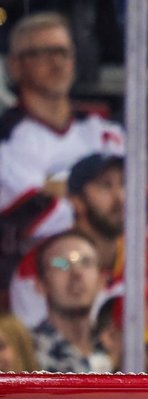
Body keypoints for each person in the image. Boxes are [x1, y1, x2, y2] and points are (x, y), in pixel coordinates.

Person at [0, 12, 125, 302]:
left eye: (62, 52)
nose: (56, 62)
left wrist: (59, 189)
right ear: (15, 66)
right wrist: (93, 202)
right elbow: (36, 217)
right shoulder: (7, 139)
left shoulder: (103, 130)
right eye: (41, 54)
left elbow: (139, 204)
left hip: (108, 275)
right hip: (33, 286)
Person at [9, 153, 148, 327]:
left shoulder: (146, 266)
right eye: (105, 186)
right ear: (76, 200)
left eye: (124, 184)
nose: (121, 198)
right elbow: (30, 349)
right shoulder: (49, 264)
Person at [31, 230, 111, 373]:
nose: (77, 273)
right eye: (61, 264)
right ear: (40, 285)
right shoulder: (26, 351)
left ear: (102, 281)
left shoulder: (117, 348)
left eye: (86, 263)